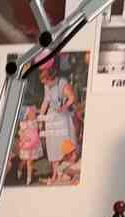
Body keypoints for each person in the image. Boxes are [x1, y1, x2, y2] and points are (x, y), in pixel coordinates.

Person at [38, 57, 78, 185]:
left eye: (46, 82)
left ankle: (64, 172)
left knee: (65, 147)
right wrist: (41, 117)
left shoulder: (62, 83)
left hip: (62, 118)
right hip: (52, 118)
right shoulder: (46, 86)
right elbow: (46, 101)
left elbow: (72, 97)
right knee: (52, 147)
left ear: (51, 78)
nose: (45, 85)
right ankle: (55, 174)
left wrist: (65, 106)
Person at [17, 104, 43, 186]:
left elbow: (38, 111)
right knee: (24, 160)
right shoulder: (23, 123)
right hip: (27, 144)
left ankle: (29, 179)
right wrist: (24, 137)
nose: (33, 114)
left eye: (33, 113)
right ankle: (19, 168)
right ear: (26, 115)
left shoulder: (35, 121)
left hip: (34, 144)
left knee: (30, 161)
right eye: (30, 113)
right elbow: (20, 132)